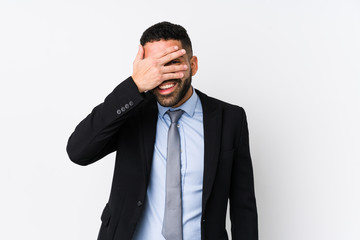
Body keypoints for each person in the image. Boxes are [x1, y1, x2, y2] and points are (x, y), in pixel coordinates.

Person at [66, 21, 258, 240]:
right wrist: (134, 85)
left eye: (173, 64)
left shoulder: (230, 119)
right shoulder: (132, 113)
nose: (163, 76)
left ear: (193, 65)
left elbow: (244, 207)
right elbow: (78, 151)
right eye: (154, 67)